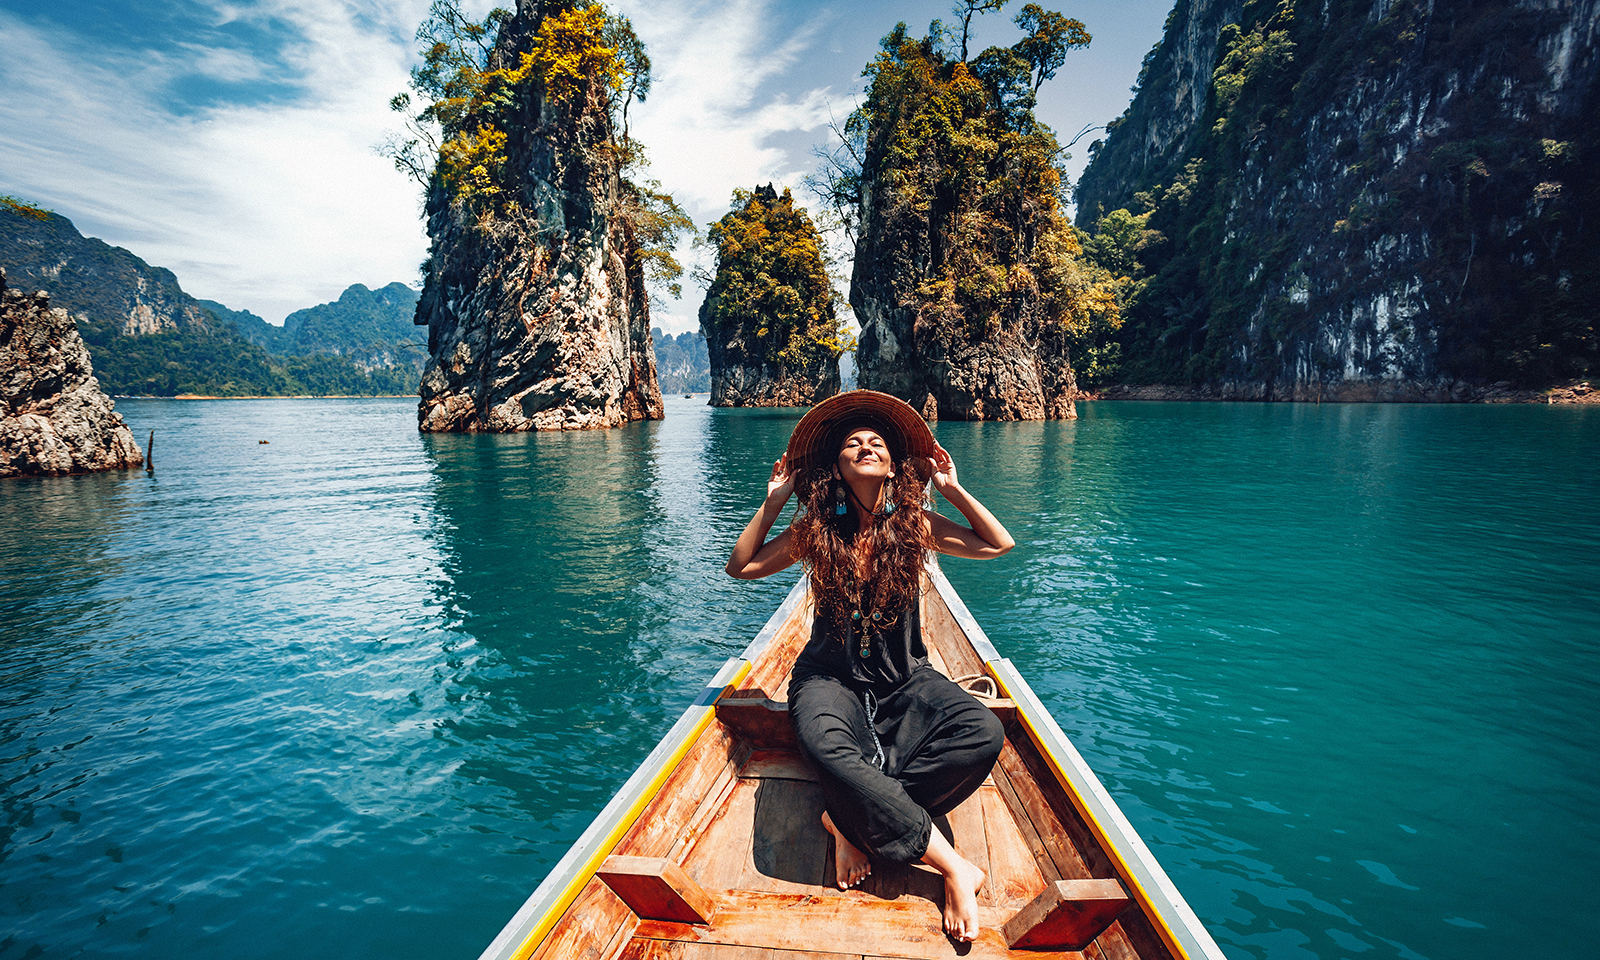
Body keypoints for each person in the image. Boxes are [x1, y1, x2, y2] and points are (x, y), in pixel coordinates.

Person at [725, 390, 1015, 943]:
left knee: (981, 733)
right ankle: (953, 865)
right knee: (826, 744)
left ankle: (845, 817)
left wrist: (953, 490)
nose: (865, 445)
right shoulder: (817, 530)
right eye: (852, 442)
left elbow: (997, 544)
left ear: (891, 464)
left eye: (876, 442)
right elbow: (742, 567)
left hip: (905, 678)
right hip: (828, 680)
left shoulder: (917, 525)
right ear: (836, 464)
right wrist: (773, 502)